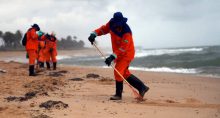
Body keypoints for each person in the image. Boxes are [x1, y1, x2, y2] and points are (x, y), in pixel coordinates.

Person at [88, 12, 149, 100]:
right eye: (116, 25)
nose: (117, 27)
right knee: (124, 73)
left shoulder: (127, 32)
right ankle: (142, 87)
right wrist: (94, 34)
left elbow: (123, 48)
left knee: (118, 72)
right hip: (118, 53)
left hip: (127, 53)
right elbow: (103, 29)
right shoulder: (111, 24)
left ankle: (118, 95)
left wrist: (112, 57)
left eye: (119, 25)